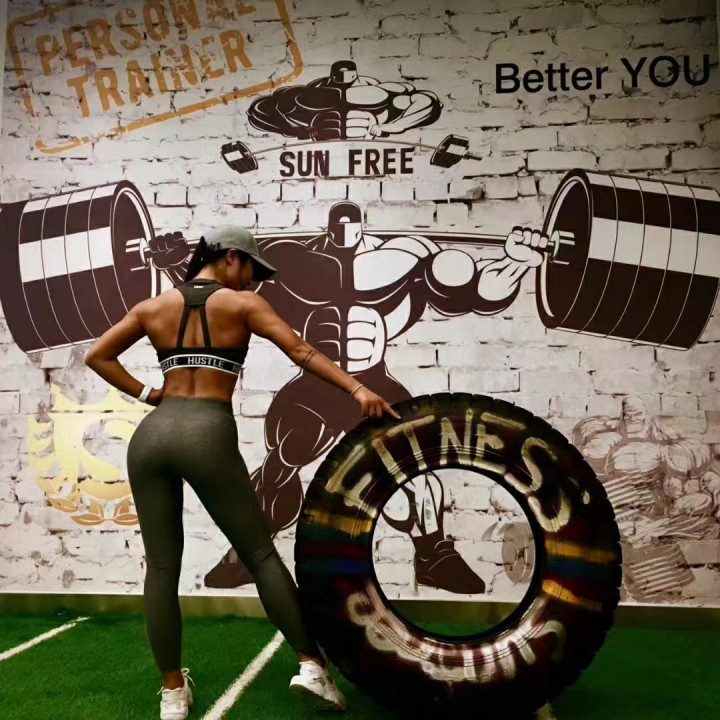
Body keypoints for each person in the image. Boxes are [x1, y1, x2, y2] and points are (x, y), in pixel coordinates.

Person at [84, 225, 401, 720]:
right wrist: (358, 389)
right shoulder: (243, 305)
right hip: (206, 432)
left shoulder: (153, 307)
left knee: (161, 568)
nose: (254, 281)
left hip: (152, 438)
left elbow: (96, 355)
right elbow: (302, 352)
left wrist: (149, 394)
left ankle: (172, 694)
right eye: (253, 268)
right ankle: (311, 666)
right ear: (231, 257)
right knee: (259, 554)